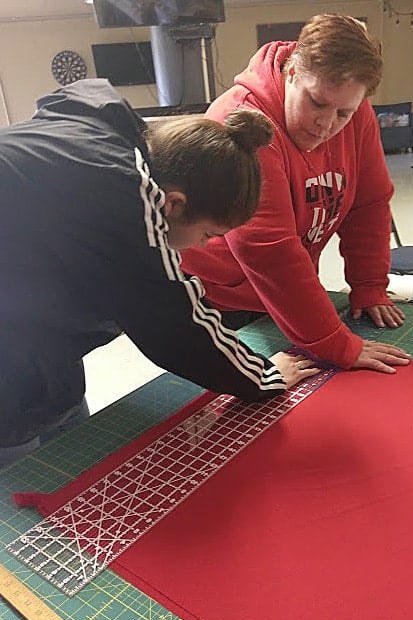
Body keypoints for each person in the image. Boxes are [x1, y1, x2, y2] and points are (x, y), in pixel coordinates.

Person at [0, 79, 319, 467]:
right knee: (21, 476)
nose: (203, 246)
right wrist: (264, 376)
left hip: (36, 331)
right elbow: (176, 324)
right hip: (11, 359)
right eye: (207, 234)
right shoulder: (123, 191)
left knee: (68, 451)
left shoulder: (98, 138)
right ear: (172, 204)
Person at [181, 14, 411, 374]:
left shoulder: (356, 110)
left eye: (343, 113)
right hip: (218, 302)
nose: (327, 124)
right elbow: (269, 249)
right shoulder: (244, 122)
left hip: (286, 297)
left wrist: (369, 285)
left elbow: (369, 204)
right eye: (317, 103)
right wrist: (336, 344)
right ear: (292, 73)